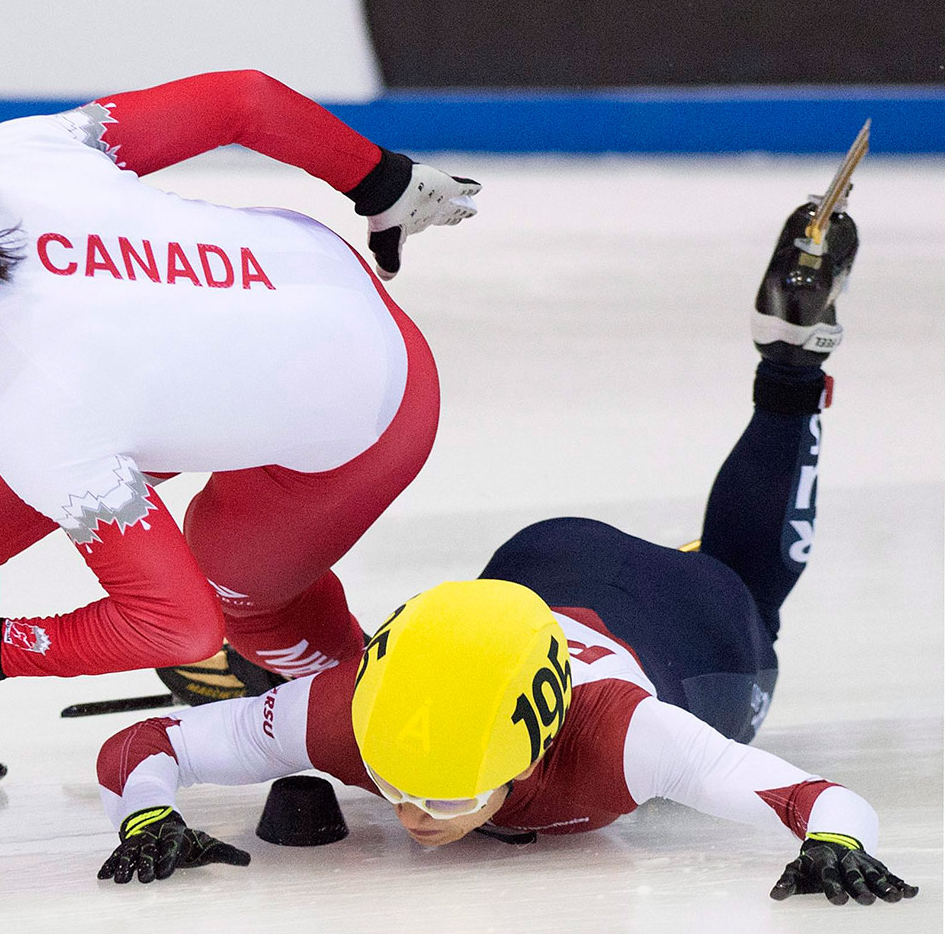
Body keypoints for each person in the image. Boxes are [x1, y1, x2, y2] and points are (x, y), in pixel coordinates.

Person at [80, 193, 918, 904]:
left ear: (530, 755)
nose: (411, 819)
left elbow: (821, 799)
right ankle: (789, 365)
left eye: (445, 796)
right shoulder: (344, 719)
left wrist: (835, 845)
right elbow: (141, 749)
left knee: (746, 598)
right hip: (544, 573)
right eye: (399, 785)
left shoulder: (628, 736)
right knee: (727, 569)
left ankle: (791, 374)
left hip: (675, 623)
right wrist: (149, 816)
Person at [0, 71, 479, 783]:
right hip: (293, 281)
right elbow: (243, 100)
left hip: (371, 409)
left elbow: (175, 628)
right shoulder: (13, 155)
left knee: (238, 600)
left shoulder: (39, 407)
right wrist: (381, 179)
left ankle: (362, 699)